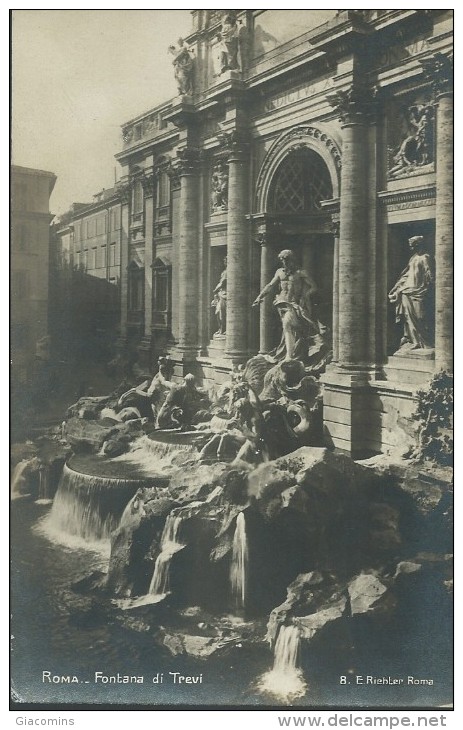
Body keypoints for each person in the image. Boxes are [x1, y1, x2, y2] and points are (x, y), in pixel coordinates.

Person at [252, 249, 318, 361]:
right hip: (281, 303)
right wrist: (259, 297)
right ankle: (290, 353)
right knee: (288, 327)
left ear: (292, 259)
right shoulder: (279, 272)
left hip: (293, 303)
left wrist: (305, 296)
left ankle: (289, 356)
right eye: (282, 260)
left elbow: (313, 287)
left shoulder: (300, 272)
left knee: (287, 324)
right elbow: (270, 285)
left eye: (287, 260)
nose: (285, 262)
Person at [388, 236, 434, 351]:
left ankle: (424, 342)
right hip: (406, 290)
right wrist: (396, 287)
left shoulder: (425, 257)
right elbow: (406, 275)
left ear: (418, 244)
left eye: (412, 245)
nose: (410, 247)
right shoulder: (413, 258)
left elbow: (430, 274)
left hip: (419, 291)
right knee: (408, 317)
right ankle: (413, 341)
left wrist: (430, 285)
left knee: (419, 317)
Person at [211, 257, 227, 335]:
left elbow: (223, 282)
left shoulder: (227, 272)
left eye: (226, 261)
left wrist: (215, 289)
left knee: (222, 313)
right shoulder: (224, 272)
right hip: (221, 294)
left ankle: (223, 329)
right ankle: (220, 328)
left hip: (225, 294)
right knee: (218, 312)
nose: (225, 262)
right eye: (224, 261)